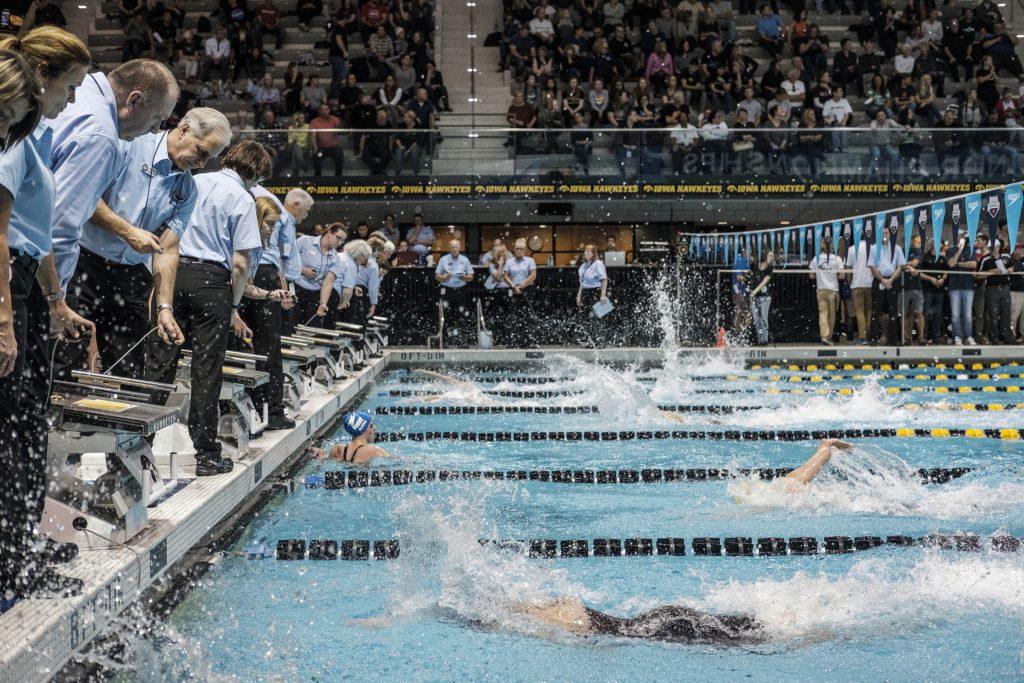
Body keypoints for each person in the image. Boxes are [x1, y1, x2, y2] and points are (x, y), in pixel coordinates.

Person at [0, 29, 92, 603]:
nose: (73, 99)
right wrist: (4, 319)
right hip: (10, 288)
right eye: (71, 85)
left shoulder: (28, 132)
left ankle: (22, 543)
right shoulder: (13, 133)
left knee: (28, 426)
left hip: (26, 284)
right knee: (14, 431)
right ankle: (12, 560)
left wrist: (55, 300)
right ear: (39, 72)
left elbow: (39, 235)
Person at [57, 108, 231, 380]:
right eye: (201, 150)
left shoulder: (187, 189)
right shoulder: (130, 144)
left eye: (210, 157)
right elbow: (85, 195)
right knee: (66, 354)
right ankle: (54, 419)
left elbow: (168, 249)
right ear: (184, 130)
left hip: (131, 278)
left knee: (129, 367)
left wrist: (165, 308)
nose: (202, 162)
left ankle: (115, 422)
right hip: (85, 264)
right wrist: (127, 231)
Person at [145, 141, 271, 477]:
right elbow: (242, 263)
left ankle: (140, 448)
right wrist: (233, 304)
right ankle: (206, 454)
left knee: (159, 363)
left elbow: (159, 230)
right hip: (212, 281)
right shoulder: (243, 198)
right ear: (254, 173)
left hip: (171, 270)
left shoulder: (194, 180)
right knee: (206, 369)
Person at [49, 59, 179, 295]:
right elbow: (61, 224)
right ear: (134, 100)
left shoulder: (82, 89)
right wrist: (55, 298)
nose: (155, 130)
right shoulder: (102, 135)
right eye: (157, 118)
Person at [246, 187, 311, 430]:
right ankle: (270, 410)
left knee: (253, 345)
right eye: (270, 225)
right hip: (263, 276)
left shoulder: (247, 196)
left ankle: (256, 409)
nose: (272, 228)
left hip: (255, 277)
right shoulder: (271, 206)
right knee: (269, 347)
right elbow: (280, 258)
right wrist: (284, 289)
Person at [731, 439, 854, 502]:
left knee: (825, 452)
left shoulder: (799, 483)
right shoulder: (769, 496)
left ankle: (829, 442)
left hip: (792, 483)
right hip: (786, 483)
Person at [293, 223, 347, 328]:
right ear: (329, 232)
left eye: (342, 240)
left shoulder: (336, 258)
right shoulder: (305, 241)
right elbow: (287, 260)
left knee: (312, 328)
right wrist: (302, 270)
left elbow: (328, 282)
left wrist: (323, 304)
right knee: (290, 325)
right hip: (296, 288)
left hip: (314, 294)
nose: (340, 242)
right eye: (338, 238)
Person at [435, 238, 475, 347]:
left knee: (461, 315)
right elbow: (437, 276)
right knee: (445, 315)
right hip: (446, 290)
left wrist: (464, 277)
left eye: (456, 247)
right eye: (452, 247)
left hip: (461, 290)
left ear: (460, 248)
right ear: (449, 248)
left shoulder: (465, 260)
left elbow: (471, 277)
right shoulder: (443, 259)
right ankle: (445, 340)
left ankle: (461, 339)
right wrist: (445, 277)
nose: (454, 249)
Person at [868, 229, 906, 345]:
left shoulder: (897, 248)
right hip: (879, 280)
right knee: (876, 310)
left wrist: (890, 280)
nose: (884, 235)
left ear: (890, 234)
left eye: (886, 233)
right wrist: (882, 280)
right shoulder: (874, 248)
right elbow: (872, 266)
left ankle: (893, 340)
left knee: (893, 311)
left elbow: (900, 266)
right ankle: (873, 339)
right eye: (882, 233)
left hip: (892, 281)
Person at [311, 411, 389, 464]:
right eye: (371, 425)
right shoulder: (374, 451)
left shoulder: (338, 449)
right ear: (365, 429)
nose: (374, 428)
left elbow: (324, 459)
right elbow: (396, 461)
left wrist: (321, 453)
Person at [502, 238, 537, 348]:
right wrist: (513, 286)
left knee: (528, 315)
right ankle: (513, 341)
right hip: (513, 289)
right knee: (513, 315)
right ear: (514, 250)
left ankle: (528, 341)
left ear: (525, 250)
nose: (519, 251)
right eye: (517, 249)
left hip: (526, 289)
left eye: (521, 249)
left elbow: (533, 276)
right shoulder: (509, 262)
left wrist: (522, 286)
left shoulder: (530, 260)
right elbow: (505, 276)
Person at [946, 236, 980, 345]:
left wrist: (958, 264)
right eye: (959, 238)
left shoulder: (970, 251)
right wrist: (959, 251)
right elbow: (951, 264)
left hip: (968, 286)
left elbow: (974, 264)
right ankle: (957, 336)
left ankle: (969, 336)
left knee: (967, 314)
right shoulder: (950, 251)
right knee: (955, 314)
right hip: (954, 286)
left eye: (963, 239)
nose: (961, 241)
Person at [980, 237, 1013, 343]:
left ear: (999, 247)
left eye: (996, 246)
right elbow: (977, 275)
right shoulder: (985, 259)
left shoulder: (1006, 257)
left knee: (1006, 313)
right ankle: (994, 337)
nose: (994, 248)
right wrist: (991, 271)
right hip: (992, 289)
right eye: (992, 247)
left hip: (1005, 288)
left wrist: (1010, 269)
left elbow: (1013, 266)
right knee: (993, 314)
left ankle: (1007, 337)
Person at [809, 240, 842, 345]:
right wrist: (832, 275)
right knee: (832, 315)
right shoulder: (837, 259)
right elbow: (842, 275)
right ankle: (828, 337)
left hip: (821, 290)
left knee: (823, 314)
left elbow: (811, 275)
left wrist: (821, 275)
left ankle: (824, 336)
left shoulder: (816, 259)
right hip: (833, 291)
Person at [576, 243, 608, 347]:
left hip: (595, 291)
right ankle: (589, 341)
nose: (586, 253)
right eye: (585, 251)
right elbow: (582, 282)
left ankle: (599, 341)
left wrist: (603, 295)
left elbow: (604, 279)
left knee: (597, 316)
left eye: (588, 251)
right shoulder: (583, 265)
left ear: (594, 253)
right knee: (586, 317)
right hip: (586, 291)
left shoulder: (598, 263)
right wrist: (579, 295)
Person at [845, 236, 874, 344]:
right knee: (869, 310)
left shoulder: (851, 249)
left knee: (859, 311)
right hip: (870, 284)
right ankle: (870, 335)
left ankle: (862, 336)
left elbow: (848, 269)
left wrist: (849, 282)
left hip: (857, 284)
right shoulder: (873, 248)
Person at [902, 235, 926, 344]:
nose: (918, 243)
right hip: (904, 286)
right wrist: (908, 266)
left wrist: (907, 265)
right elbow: (898, 264)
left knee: (919, 313)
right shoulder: (901, 250)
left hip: (917, 286)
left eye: (920, 242)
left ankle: (920, 337)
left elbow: (915, 263)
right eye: (917, 241)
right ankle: (908, 337)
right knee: (906, 314)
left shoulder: (919, 252)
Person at [749, 250, 773, 345]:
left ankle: (765, 339)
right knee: (757, 319)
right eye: (770, 256)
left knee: (763, 317)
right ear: (764, 256)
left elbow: (764, 282)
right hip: (754, 296)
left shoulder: (770, 268)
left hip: (765, 296)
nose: (772, 258)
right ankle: (760, 339)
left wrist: (755, 291)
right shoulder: (755, 266)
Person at [730, 246, 750, 342]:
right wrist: (749, 278)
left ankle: (738, 333)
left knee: (740, 312)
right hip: (738, 291)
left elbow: (747, 272)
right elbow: (738, 277)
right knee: (743, 312)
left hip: (741, 290)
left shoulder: (744, 260)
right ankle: (738, 332)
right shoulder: (739, 260)